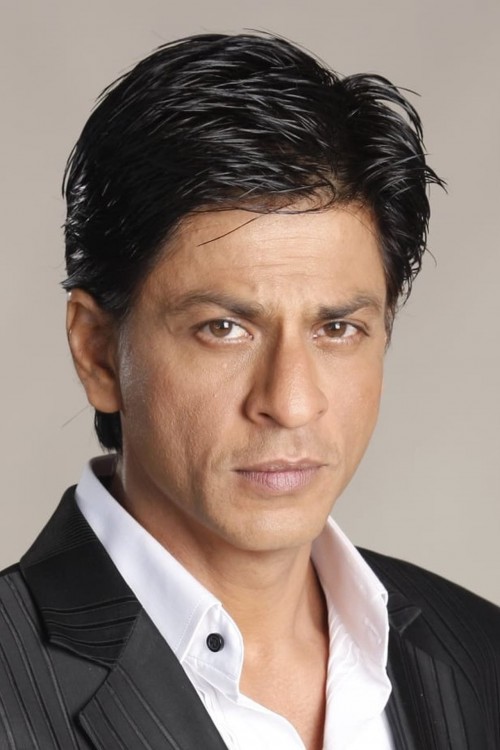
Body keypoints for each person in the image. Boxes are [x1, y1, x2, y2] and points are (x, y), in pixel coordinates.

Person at [0, 32, 498, 750]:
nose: (290, 403)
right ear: (98, 352)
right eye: (224, 328)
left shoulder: (481, 652)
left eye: (337, 328)